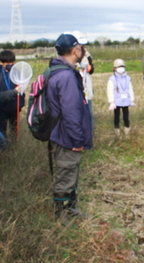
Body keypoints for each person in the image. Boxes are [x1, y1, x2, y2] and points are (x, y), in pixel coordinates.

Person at [46, 32, 92, 218]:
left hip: (60, 133)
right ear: (75, 50)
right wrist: (77, 139)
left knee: (70, 173)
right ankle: (63, 215)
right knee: (66, 174)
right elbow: (71, 112)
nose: (82, 51)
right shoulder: (66, 76)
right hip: (66, 136)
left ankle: (71, 209)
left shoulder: (57, 70)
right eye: (81, 48)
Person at [0, 50, 24, 137]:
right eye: (7, 63)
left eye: (12, 62)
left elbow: (22, 90)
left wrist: (20, 104)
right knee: (2, 129)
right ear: (1, 62)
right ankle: (3, 146)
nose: (10, 65)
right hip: (2, 107)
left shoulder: (17, 72)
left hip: (14, 107)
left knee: (14, 129)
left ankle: (14, 145)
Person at [107, 59, 135, 136]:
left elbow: (130, 89)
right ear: (114, 68)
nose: (121, 68)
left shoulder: (127, 78)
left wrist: (131, 99)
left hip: (126, 101)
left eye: (122, 66)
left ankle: (127, 130)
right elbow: (110, 91)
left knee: (126, 116)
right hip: (117, 102)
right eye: (119, 67)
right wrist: (111, 102)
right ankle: (117, 130)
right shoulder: (112, 79)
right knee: (117, 116)